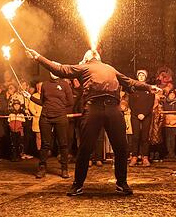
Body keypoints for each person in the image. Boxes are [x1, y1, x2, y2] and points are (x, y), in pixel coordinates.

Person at [25, 47, 159, 196]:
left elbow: (130, 82)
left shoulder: (108, 68)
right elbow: (60, 70)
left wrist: (147, 87)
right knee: (86, 148)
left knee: (121, 148)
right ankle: (78, 184)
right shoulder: (86, 67)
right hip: (95, 108)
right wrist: (38, 57)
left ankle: (121, 183)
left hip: (112, 108)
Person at [23, 71, 73, 179]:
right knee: (45, 144)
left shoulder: (64, 85)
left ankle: (64, 169)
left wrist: (59, 107)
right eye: (50, 69)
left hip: (60, 117)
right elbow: (42, 102)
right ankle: (42, 168)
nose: (52, 71)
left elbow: (70, 102)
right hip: (45, 117)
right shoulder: (45, 84)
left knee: (63, 144)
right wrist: (30, 97)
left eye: (54, 69)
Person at [129, 70, 154, 166]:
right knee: (135, 137)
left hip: (146, 115)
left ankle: (145, 157)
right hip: (135, 115)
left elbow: (150, 104)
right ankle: (134, 157)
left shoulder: (149, 89)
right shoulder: (133, 89)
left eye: (143, 75)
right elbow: (131, 103)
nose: (141, 76)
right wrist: (137, 113)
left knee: (145, 137)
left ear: (146, 77)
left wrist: (144, 113)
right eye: (139, 75)